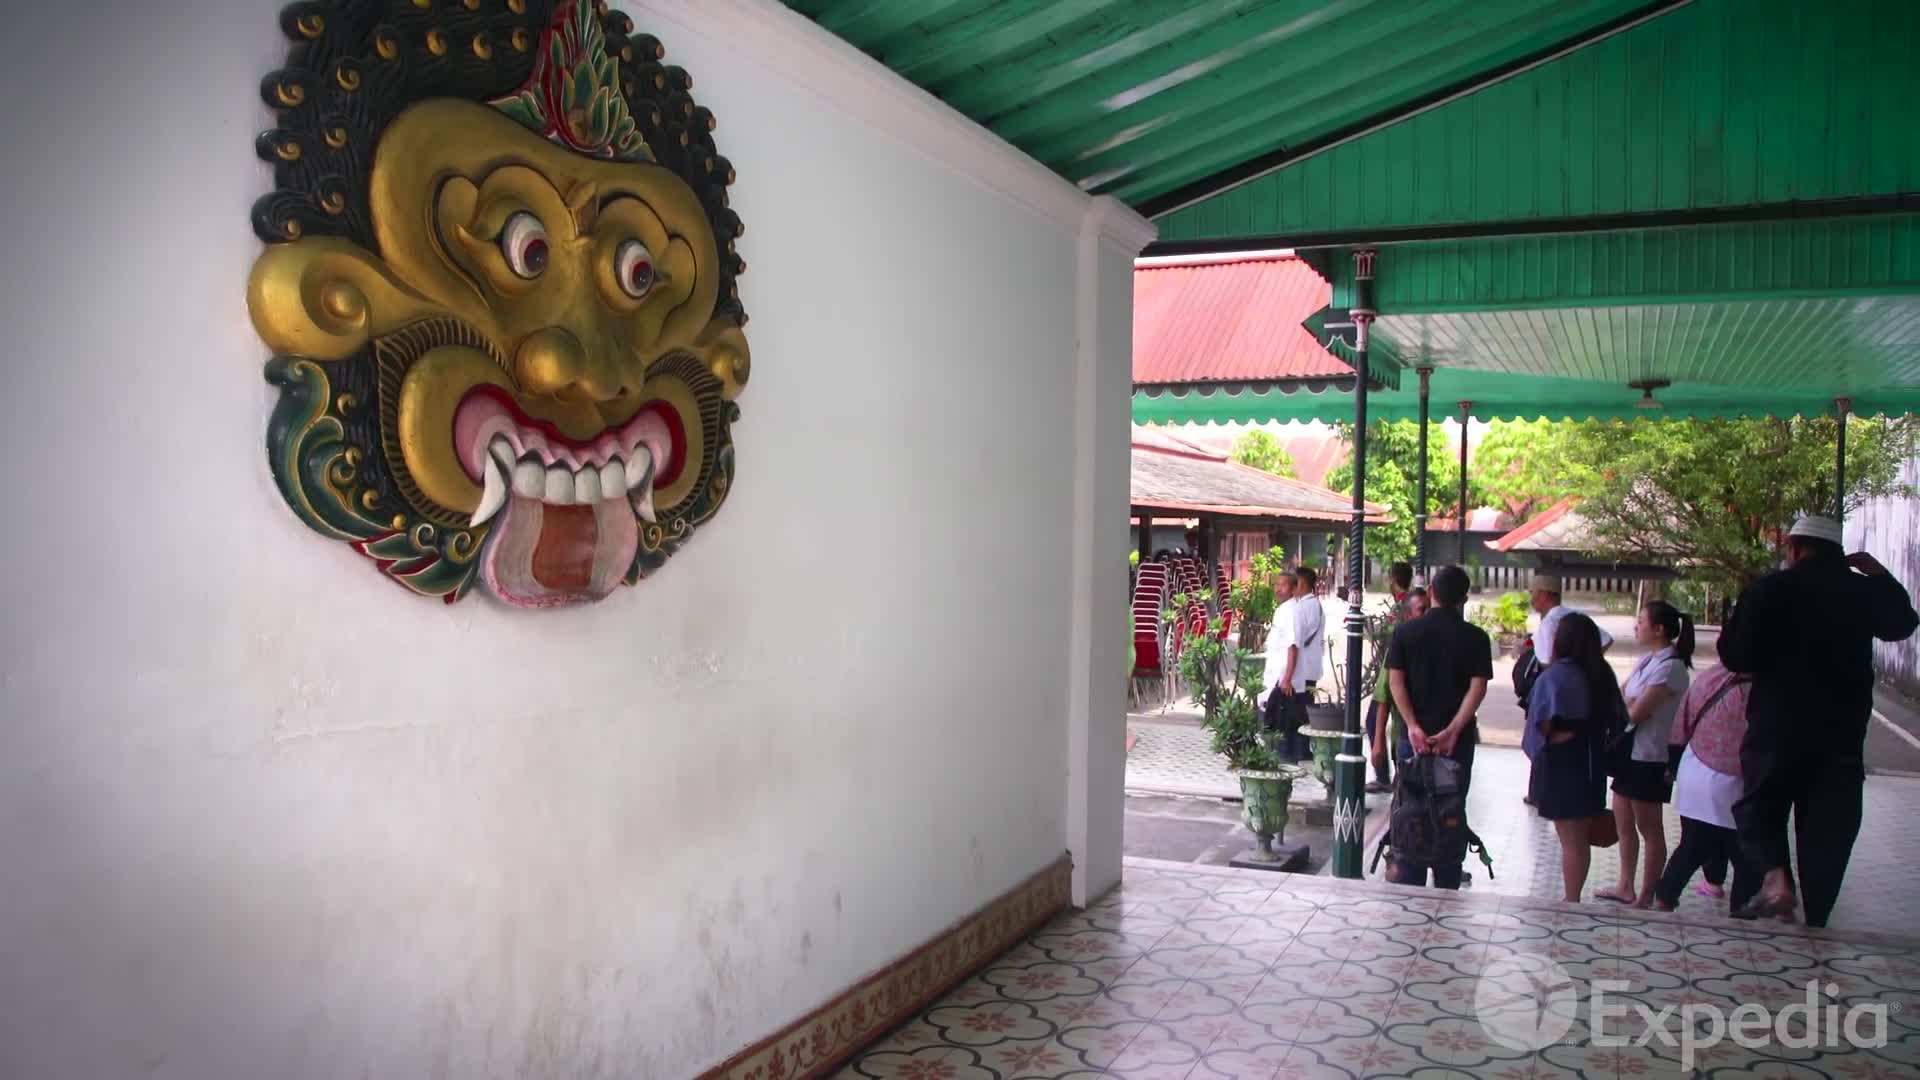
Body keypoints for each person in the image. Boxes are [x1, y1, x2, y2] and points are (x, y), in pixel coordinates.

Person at [1721, 515, 1920, 926]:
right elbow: (1902, 624)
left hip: (1776, 727)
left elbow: (1735, 655)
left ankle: (1776, 878)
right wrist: (1880, 576)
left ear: (1794, 548)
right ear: (1840, 554)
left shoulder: (1769, 589)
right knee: (1830, 827)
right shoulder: (1862, 591)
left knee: (1759, 806)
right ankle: (1817, 917)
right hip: (1840, 735)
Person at [1385, 565, 1493, 888]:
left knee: (1412, 803)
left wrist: (1413, 726)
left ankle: (1411, 872)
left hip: (1413, 742)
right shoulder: (1476, 638)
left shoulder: (1405, 633)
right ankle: (1447, 875)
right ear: (1464, 599)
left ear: (1431, 591)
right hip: (1455, 745)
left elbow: (1395, 682)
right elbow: (1478, 688)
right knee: (1451, 806)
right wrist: (1454, 730)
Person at [1595, 600, 1694, 907]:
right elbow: (1620, 698)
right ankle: (1625, 885)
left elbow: (1637, 712)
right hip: (1629, 752)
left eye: (1641, 621)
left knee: (1649, 828)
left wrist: (1629, 703)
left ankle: (1647, 893)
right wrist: (1628, 703)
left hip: (1650, 756)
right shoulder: (1646, 661)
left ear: (1659, 629)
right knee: (1623, 822)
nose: (1636, 626)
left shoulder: (1671, 667)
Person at [1526, 611, 1626, 901]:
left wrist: (1559, 736)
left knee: (1570, 839)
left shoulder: (1553, 677)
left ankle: (1571, 901)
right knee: (1579, 837)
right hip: (1593, 761)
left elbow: (1539, 726)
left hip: (1563, 763)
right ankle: (1573, 896)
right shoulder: (1603, 674)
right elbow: (1620, 720)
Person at [1651, 656, 1757, 913]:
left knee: (1692, 845)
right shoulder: (1770, 689)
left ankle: (1664, 900)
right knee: (1745, 856)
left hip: (1697, 771)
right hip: (1743, 781)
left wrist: (1674, 763)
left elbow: (1681, 726)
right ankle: (1742, 915)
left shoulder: (1709, 678)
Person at [1368, 586, 1429, 792]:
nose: (1427, 615)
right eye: (1422, 610)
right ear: (1408, 615)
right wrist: (1378, 741)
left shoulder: (1441, 642)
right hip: (1405, 737)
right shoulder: (1400, 646)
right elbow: (1384, 697)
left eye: (1429, 609)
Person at [1274, 566, 1326, 762]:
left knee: (1297, 712)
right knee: (1303, 710)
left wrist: (1288, 675)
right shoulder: (1313, 605)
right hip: (1308, 668)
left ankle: (1297, 751)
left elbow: (1294, 642)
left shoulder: (1303, 607)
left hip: (1301, 670)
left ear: (1301, 584)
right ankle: (1301, 749)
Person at [1530, 574, 1614, 666]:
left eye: (1532, 593)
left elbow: (1546, 664)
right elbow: (1607, 640)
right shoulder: (1575, 614)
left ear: (1543, 595)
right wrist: (1587, 665)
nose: (1531, 600)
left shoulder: (1549, 623)